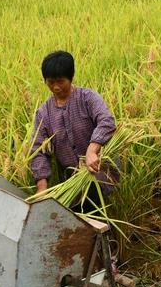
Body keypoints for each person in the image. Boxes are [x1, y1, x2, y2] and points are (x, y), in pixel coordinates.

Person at [29, 51, 117, 214]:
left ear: (71, 77)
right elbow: (38, 150)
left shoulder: (88, 98)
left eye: (61, 81)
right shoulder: (44, 113)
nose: (56, 87)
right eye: (50, 82)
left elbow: (107, 121)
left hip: (101, 175)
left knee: (100, 218)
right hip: (73, 184)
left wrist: (92, 150)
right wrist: (42, 188)